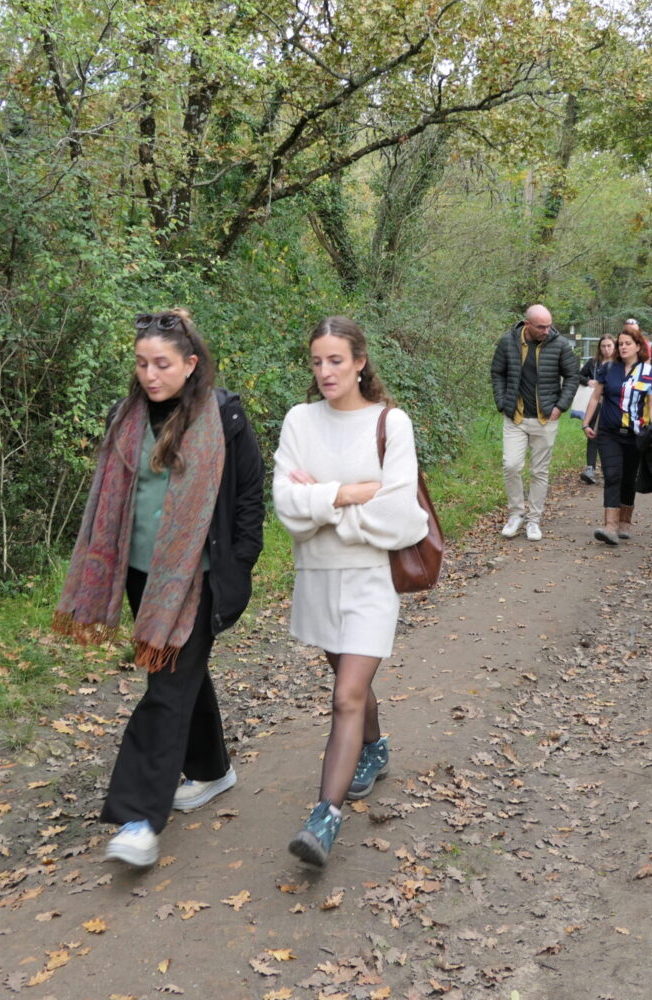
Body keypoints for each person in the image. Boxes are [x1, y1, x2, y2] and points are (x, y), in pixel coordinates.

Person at [54, 308, 265, 868]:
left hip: (198, 579)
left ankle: (138, 818)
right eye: (142, 363)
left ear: (190, 364)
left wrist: (240, 565)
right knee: (180, 675)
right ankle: (213, 769)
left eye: (163, 364)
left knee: (167, 687)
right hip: (140, 574)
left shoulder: (223, 417)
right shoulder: (125, 417)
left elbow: (249, 497)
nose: (150, 375)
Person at [273, 316, 429, 867]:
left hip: (370, 578)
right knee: (351, 684)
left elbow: (400, 514)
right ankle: (375, 748)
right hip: (317, 577)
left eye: (336, 360)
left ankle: (324, 818)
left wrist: (321, 501)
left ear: (360, 362)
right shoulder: (300, 420)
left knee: (345, 696)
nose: (325, 371)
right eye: (317, 361)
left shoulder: (391, 423)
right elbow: (285, 506)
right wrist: (348, 493)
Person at [489, 304, 579, 542]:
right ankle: (515, 514)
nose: (547, 331)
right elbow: (497, 372)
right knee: (511, 465)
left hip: (545, 418)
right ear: (527, 324)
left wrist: (561, 406)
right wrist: (502, 402)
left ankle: (534, 520)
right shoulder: (508, 342)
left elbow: (572, 375)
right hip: (515, 416)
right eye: (541, 327)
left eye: (549, 326)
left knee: (539, 471)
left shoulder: (559, 345)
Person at [581, 327, 652, 545]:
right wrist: (586, 423)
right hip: (608, 432)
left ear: (638, 346)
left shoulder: (648, 372)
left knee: (628, 478)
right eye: (620, 343)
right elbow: (595, 397)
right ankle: (610, 526)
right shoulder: (608, 368)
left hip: (635, 435)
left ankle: (625, 521)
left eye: (628, 343)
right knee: (612, 475)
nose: (623, 347)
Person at [578, 334, 617, 485]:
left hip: (613, 405)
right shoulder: (593, 363)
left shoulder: (619, 364)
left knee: (611, 436)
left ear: (614, 347)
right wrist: (588, 381)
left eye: (609, 346)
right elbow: (578, 376)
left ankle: (611, 468)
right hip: (595, 402)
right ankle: (590, 468)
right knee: (592, 433)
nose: (606, 349)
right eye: (603, 346)